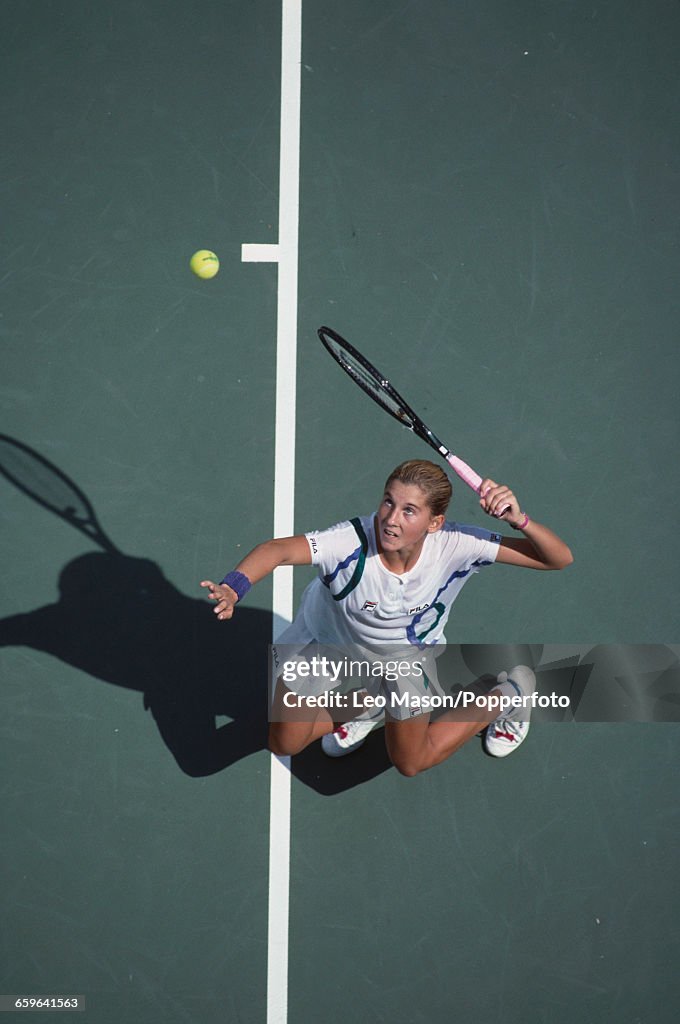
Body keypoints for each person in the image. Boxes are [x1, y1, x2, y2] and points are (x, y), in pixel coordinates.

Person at [200, 460, 573, 776]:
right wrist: (235, 586)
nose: (391, 520)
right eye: (388, 503)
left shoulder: (459, 546)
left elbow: (557, 559)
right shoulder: (347, 544)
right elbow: (277, 550)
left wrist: (519, 519)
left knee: (411, 762)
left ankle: (509, 694)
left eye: (409, 511)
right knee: (284, 741)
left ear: (435, 522)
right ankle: (371, 703)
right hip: (325, 646)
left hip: (405, 661)